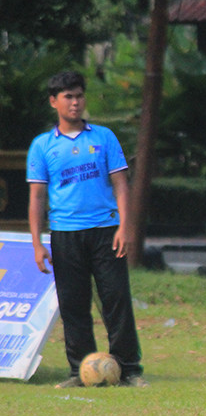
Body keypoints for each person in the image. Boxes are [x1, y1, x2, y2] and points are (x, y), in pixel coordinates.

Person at [27, 71, 148, 388]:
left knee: (116, 298)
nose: (75, 102)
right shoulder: (42, 146)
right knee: (73, 303)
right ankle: (79, 371)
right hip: (65, 233)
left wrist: (125, 227)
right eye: (68, 97)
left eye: (79, 95)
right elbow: (37, 197)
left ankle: (129, 370)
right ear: (54, 102)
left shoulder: (104, 138)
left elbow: (121, 185)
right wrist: (37, 244)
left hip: (106, 230)